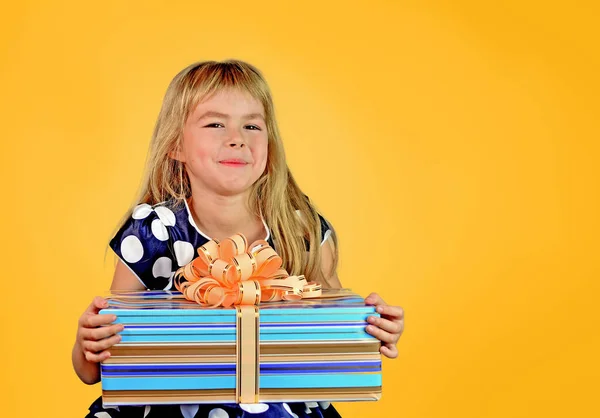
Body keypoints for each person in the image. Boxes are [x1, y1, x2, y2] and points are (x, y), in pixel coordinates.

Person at [73, 60, 404, 418]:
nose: (237, 138)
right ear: (175, 146)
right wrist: (87, 343)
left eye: (252, 125)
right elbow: (97, 369)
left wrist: (372, 330)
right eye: (216, 124)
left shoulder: (301, 229)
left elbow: (334, 339)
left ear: (269, 146)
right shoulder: (154, 231)